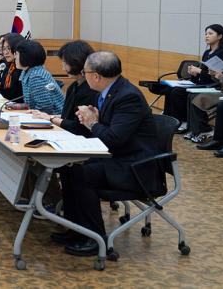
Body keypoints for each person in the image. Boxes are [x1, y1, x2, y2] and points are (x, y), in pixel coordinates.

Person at [56, 51, 162, 256]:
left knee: (82, 174)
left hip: (135, 167)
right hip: (119, 157)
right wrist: (97, 120)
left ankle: (95, 239)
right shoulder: (110, 91)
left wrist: (92, 123)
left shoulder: (128, 97)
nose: (83, 76)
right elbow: (112, 131)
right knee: (69, 166)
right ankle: (77, 229)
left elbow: (113, 139)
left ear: (96, 76)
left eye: (85, 72)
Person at [162, 24, 223, 134]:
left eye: (210, 33)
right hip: (200, 82)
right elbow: (202, 72)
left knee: (177, 92)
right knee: (169, 89)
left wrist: (199, 71)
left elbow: (214, 77)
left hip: (211, 85)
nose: (207, 36)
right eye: (206, 34)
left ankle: (184, 121)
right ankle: (170, 119)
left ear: (220, 36)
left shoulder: (222, 54)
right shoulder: (207, 53)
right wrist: (194, 73)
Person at [32, 40, 98, 136]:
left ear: (76, 62)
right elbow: (67, 117)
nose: (63, 68)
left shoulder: (91, 90)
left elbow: (78, 127)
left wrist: (51, 118)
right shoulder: (73, 86)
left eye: (65, 62)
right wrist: (45, 116)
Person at [13, 40, 64, 115]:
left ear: (25, 56)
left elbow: (45, 108)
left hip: (53, 118)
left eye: (16, 54)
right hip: (39, 116)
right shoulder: (26, 71)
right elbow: (30, 103)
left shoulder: (36, 76)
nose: (14, 57)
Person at [0, 33, 24, 101]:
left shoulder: (22, 67)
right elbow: (8, 88)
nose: (5, 52)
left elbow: (19, 95)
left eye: (9, 48)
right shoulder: (9, 65)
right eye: (4, 49)